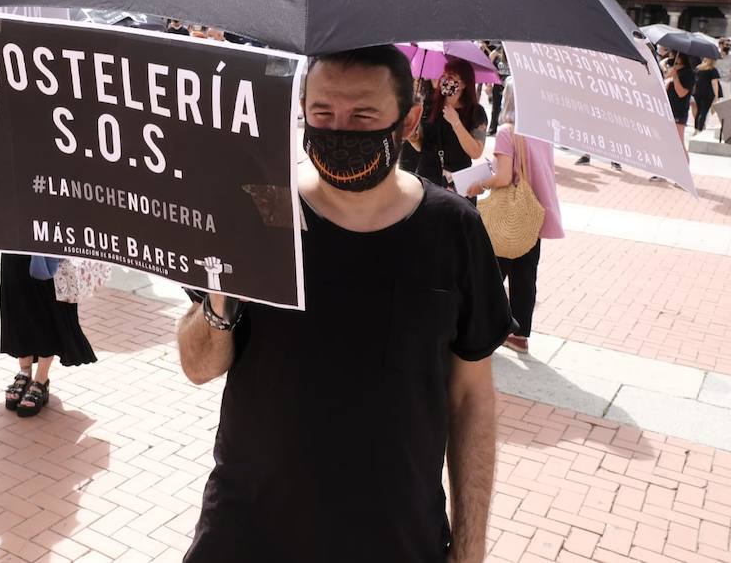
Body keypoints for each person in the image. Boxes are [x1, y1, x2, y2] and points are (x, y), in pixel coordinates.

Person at [178, 45, 511, 562]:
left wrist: (469, 549)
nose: (339, 130)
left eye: (363, 116)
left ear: (410, 119)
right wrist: (224, 288)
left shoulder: (454, 231)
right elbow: (198, 366)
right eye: (323, 114)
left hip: (397, 539)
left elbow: (472, 398)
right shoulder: (258, 211)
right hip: (248, 535)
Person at [468, 78, 563, 354]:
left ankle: (485, 330)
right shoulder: (541, 132)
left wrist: (481, 182)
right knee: (525, 275)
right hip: (533, 212)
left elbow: (503, 177)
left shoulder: (508, 132)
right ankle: (520, 335)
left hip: (508, 214)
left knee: (491, 273)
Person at [0, 250, 98, 418]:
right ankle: (24, 372)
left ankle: (41, 379)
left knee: (48, 310)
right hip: (15, 241)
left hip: (49, 243)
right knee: (17, 305)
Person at [407, 57, 488, 198]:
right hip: (428, 179)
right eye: (444, 75)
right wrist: (412, 135)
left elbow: (476, 152)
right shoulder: (429, 105)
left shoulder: (476, 112)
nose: (445, 79)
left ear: (463, 84)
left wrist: (456, 123)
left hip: (458, 185)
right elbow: (421, 146)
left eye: (451, 76)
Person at [664, 52, 694, 147]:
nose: (671, 58)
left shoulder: (688, 73)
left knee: (679, 143)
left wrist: (675, 77)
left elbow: (681, 93)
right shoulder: (673, 70)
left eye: (673, 55)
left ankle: (684, 161)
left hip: (679, 112)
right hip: (668, 110)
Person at [691, 56, 722, 133]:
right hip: (708, 93)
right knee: (704, 112)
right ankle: (700, 129)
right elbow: (714, 83)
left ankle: (695, 129)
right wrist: (717, 96)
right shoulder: (713, 70)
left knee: (698, 111)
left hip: (697, 92)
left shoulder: (698, 68)